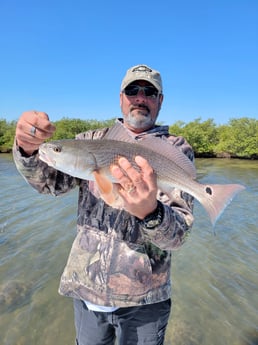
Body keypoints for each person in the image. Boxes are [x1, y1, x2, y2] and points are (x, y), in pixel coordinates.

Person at [13, 64, 195, 345]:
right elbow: (48, 182)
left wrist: (152, 213)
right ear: (121, 97)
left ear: (160, 100)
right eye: (133, 90)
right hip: (87, 292)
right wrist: (27, 147)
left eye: (150, 92)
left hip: (146, 302)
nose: (140, 97)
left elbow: (179, 236)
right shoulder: (89, 141)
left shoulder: (176, 150)